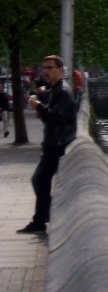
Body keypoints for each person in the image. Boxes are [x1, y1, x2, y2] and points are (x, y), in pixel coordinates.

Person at [18, 55, 78, 235]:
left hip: (58, 145)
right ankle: (39, 221)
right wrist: (41, 98)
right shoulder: (56, 89)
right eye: (44, 68)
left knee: (39, 180)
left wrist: (38, 105)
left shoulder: (63, 91)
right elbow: (50, 110)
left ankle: (49, 214)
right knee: (42, 181)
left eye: (50, 67)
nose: (46, 71)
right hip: (53, 143)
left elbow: (56, 117)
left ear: (60, 70)